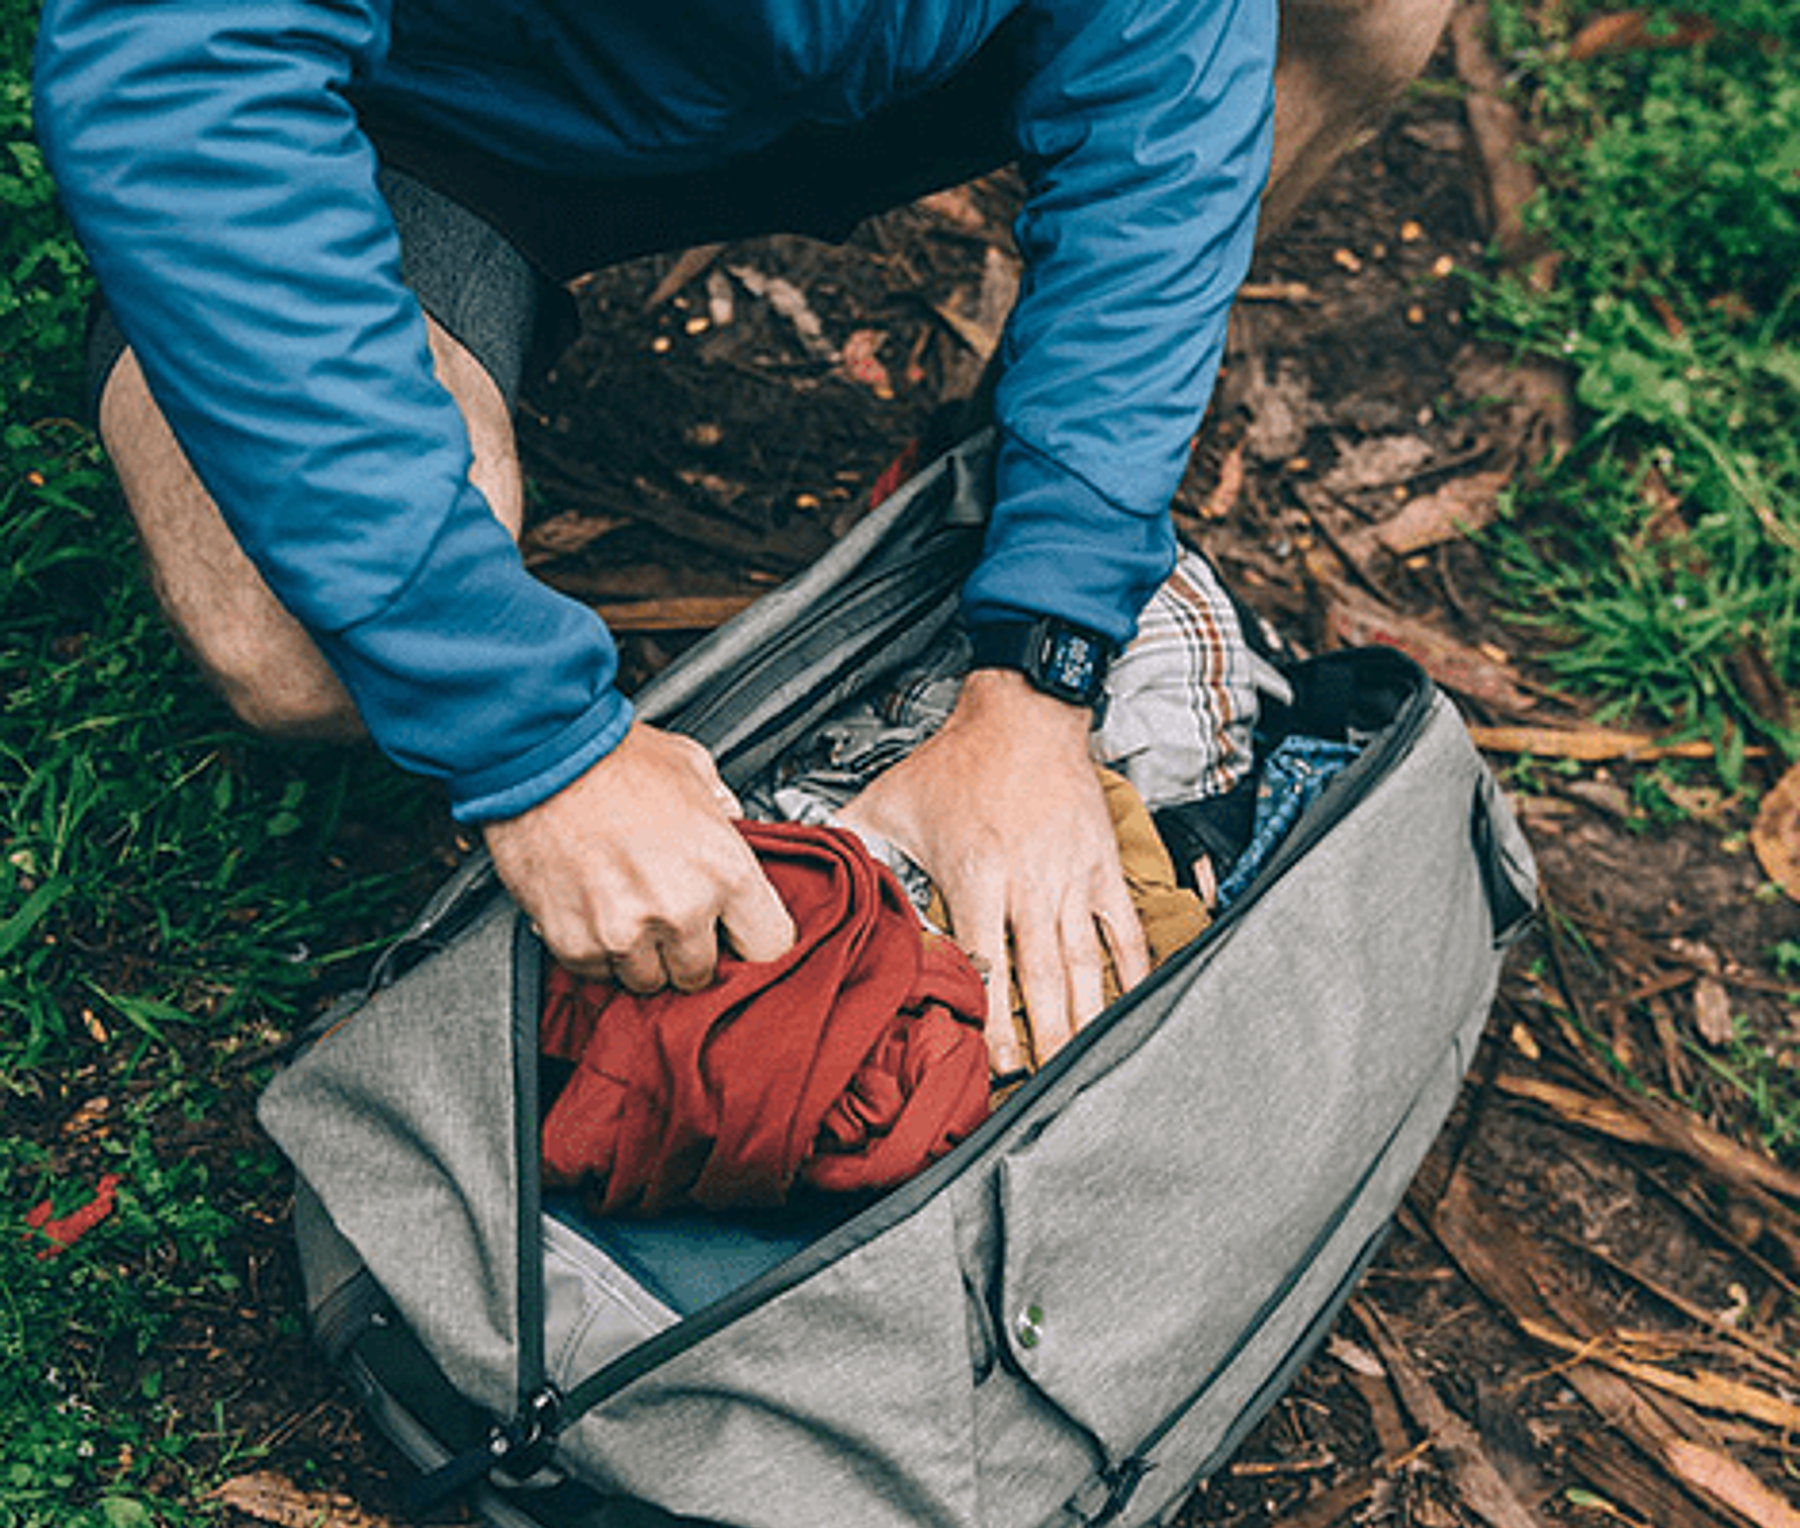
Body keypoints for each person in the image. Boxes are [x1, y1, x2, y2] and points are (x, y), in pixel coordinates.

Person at [32, 0, 1451, 1077]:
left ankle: (986, 497)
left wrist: (1042, 670)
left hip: (853, 74)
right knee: (292, 643)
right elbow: (183, 91)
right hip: (430, 110)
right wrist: (533, 749)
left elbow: (1174, 99)